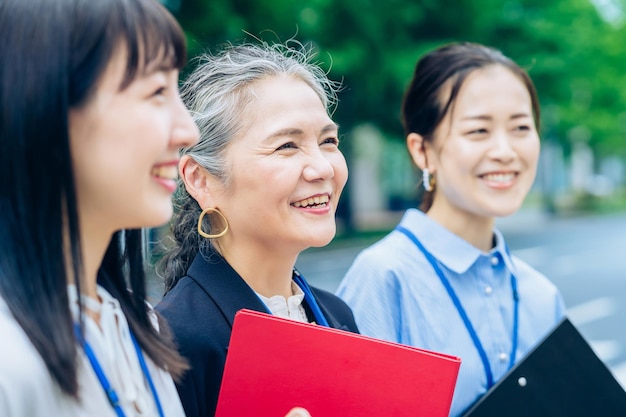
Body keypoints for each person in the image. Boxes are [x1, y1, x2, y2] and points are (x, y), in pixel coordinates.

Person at [0, 1, 311, 417]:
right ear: (45, 110)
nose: (186, 130)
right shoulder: (11, 359)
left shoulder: (140, 330)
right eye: (155, 93)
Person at [336, 42, 566, 417]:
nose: (505, 151)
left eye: (521, 127)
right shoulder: (383, 279)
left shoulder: (542, 296)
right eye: (479, 130)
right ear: (422, 151)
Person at [155, 41, 359, 417]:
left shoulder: (338, 317)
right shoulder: (173, 343)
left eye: (328, 141)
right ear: (200, 179)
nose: (323, 168)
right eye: (286, 146)